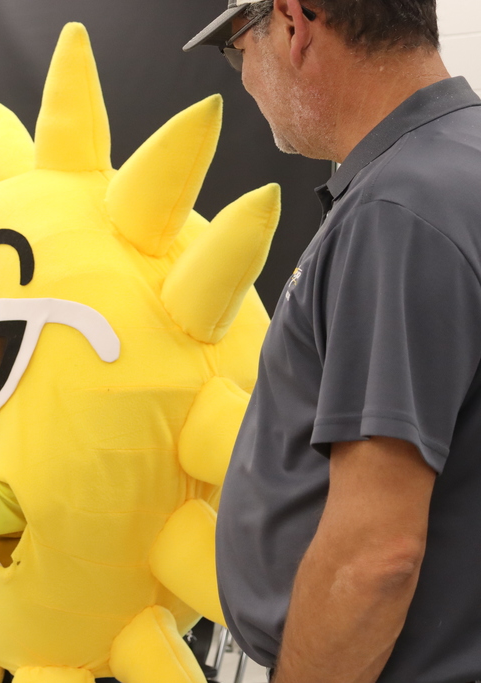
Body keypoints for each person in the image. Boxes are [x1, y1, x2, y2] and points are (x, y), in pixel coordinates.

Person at [184, 1, 481, 682]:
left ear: (293, 24)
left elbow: (375, 555)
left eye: (237, 49)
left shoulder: (397, 211)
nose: (245, 79)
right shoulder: (457, 166)